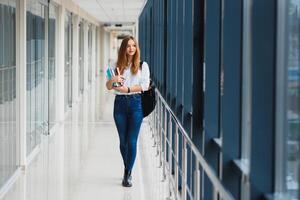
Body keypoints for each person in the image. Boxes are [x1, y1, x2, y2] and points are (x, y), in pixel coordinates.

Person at [106, 36, 150, 187]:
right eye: (128, 46)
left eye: (134, 46)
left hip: (136, 104)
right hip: (119, 105)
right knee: (123, 142)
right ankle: (127, 166)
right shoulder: (115, 65)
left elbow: (144, 86)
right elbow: (109, 86)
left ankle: (128, 173)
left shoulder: (143, 66)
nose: (131, 48)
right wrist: (114, 79)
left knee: (132, 141)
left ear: (136, 48)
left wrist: (128, 89)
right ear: (123, 48)